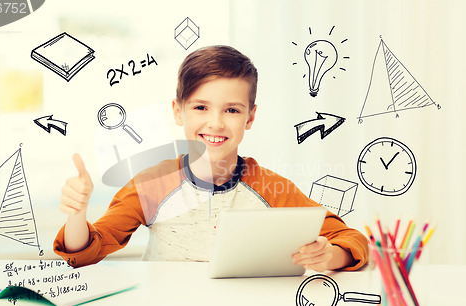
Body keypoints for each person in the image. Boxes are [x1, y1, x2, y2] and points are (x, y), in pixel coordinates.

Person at [54, 45, 368, 272]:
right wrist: (76, 215)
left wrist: (332, 256)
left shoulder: (271, 187)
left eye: (231, 110)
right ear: (178, 111)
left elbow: (350, 239)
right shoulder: (152, 183)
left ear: (250, 117)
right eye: (201, 107)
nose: (216, 123)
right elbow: (86, 251)